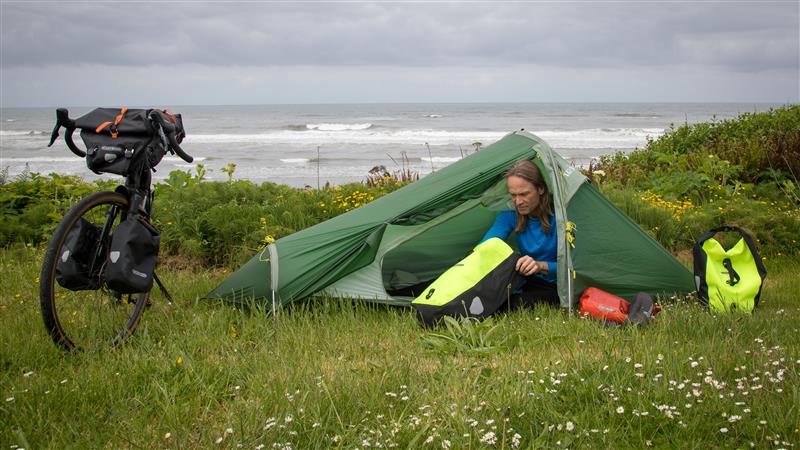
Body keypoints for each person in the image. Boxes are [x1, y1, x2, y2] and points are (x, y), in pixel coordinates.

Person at [480, 159, 559, 306]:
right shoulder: (511, 214)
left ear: (540, 189)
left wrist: (540, 266)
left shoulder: (560, 217)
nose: (518, 202)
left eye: (524, 194)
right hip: (524, 279)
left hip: (555, 284)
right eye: (513, 195)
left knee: (512, 304)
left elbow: (575, 267)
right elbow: (486, 246)